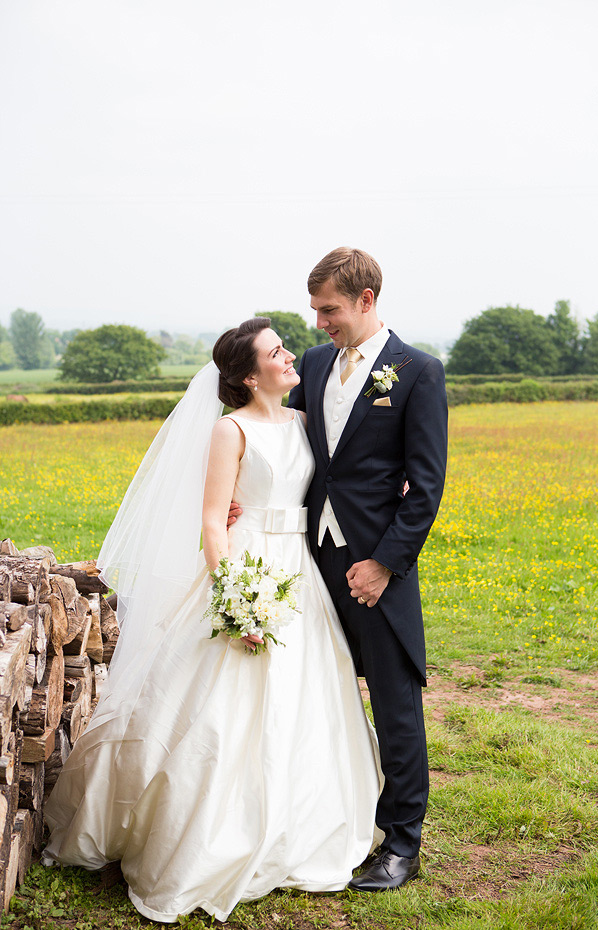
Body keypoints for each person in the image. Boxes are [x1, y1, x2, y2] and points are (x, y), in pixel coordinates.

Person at [42, 317, 382, 923]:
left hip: (297, 569)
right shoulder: (230, 431)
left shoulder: (304, 421)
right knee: (217, 712)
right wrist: (236, 601)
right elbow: (210, 521)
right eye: (276, 352)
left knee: (304, 701)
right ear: (251, 376)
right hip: (248, 565)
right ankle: (198, 834)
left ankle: (298, 824)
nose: (288, 356)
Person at [278, 247, 447, 890]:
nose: (320, 323)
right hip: (309, 558)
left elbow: (425, 488)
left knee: (394, 703)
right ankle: (327, 817)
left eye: (330, 310)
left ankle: (402, 840)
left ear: (366, 300)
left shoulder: (417, 372)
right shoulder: (317, 364)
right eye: (316, 310)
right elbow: (288, 438)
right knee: (315, 693)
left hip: (373, 568)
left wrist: (382, 563)